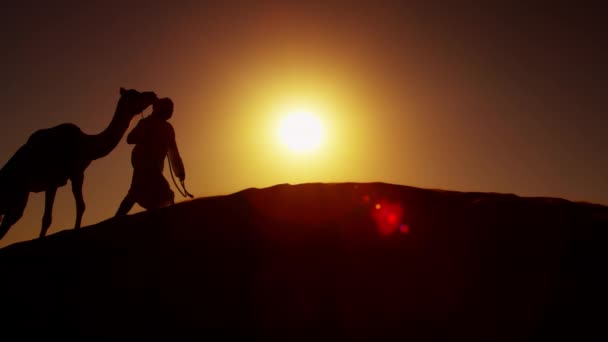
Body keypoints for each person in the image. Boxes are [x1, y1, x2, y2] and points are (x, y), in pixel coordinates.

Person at [115, 97, 185, 216]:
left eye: (171, 109)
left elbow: (174, 151)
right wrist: (144, 135)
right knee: (166, 194)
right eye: (168, 108)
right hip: (143, 165)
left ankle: (116, 222)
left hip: (156, 168)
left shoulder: (168, 129)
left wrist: (180, 172)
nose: (170, 111)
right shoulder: (146, 123)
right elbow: (130, 138)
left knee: (136, 194)